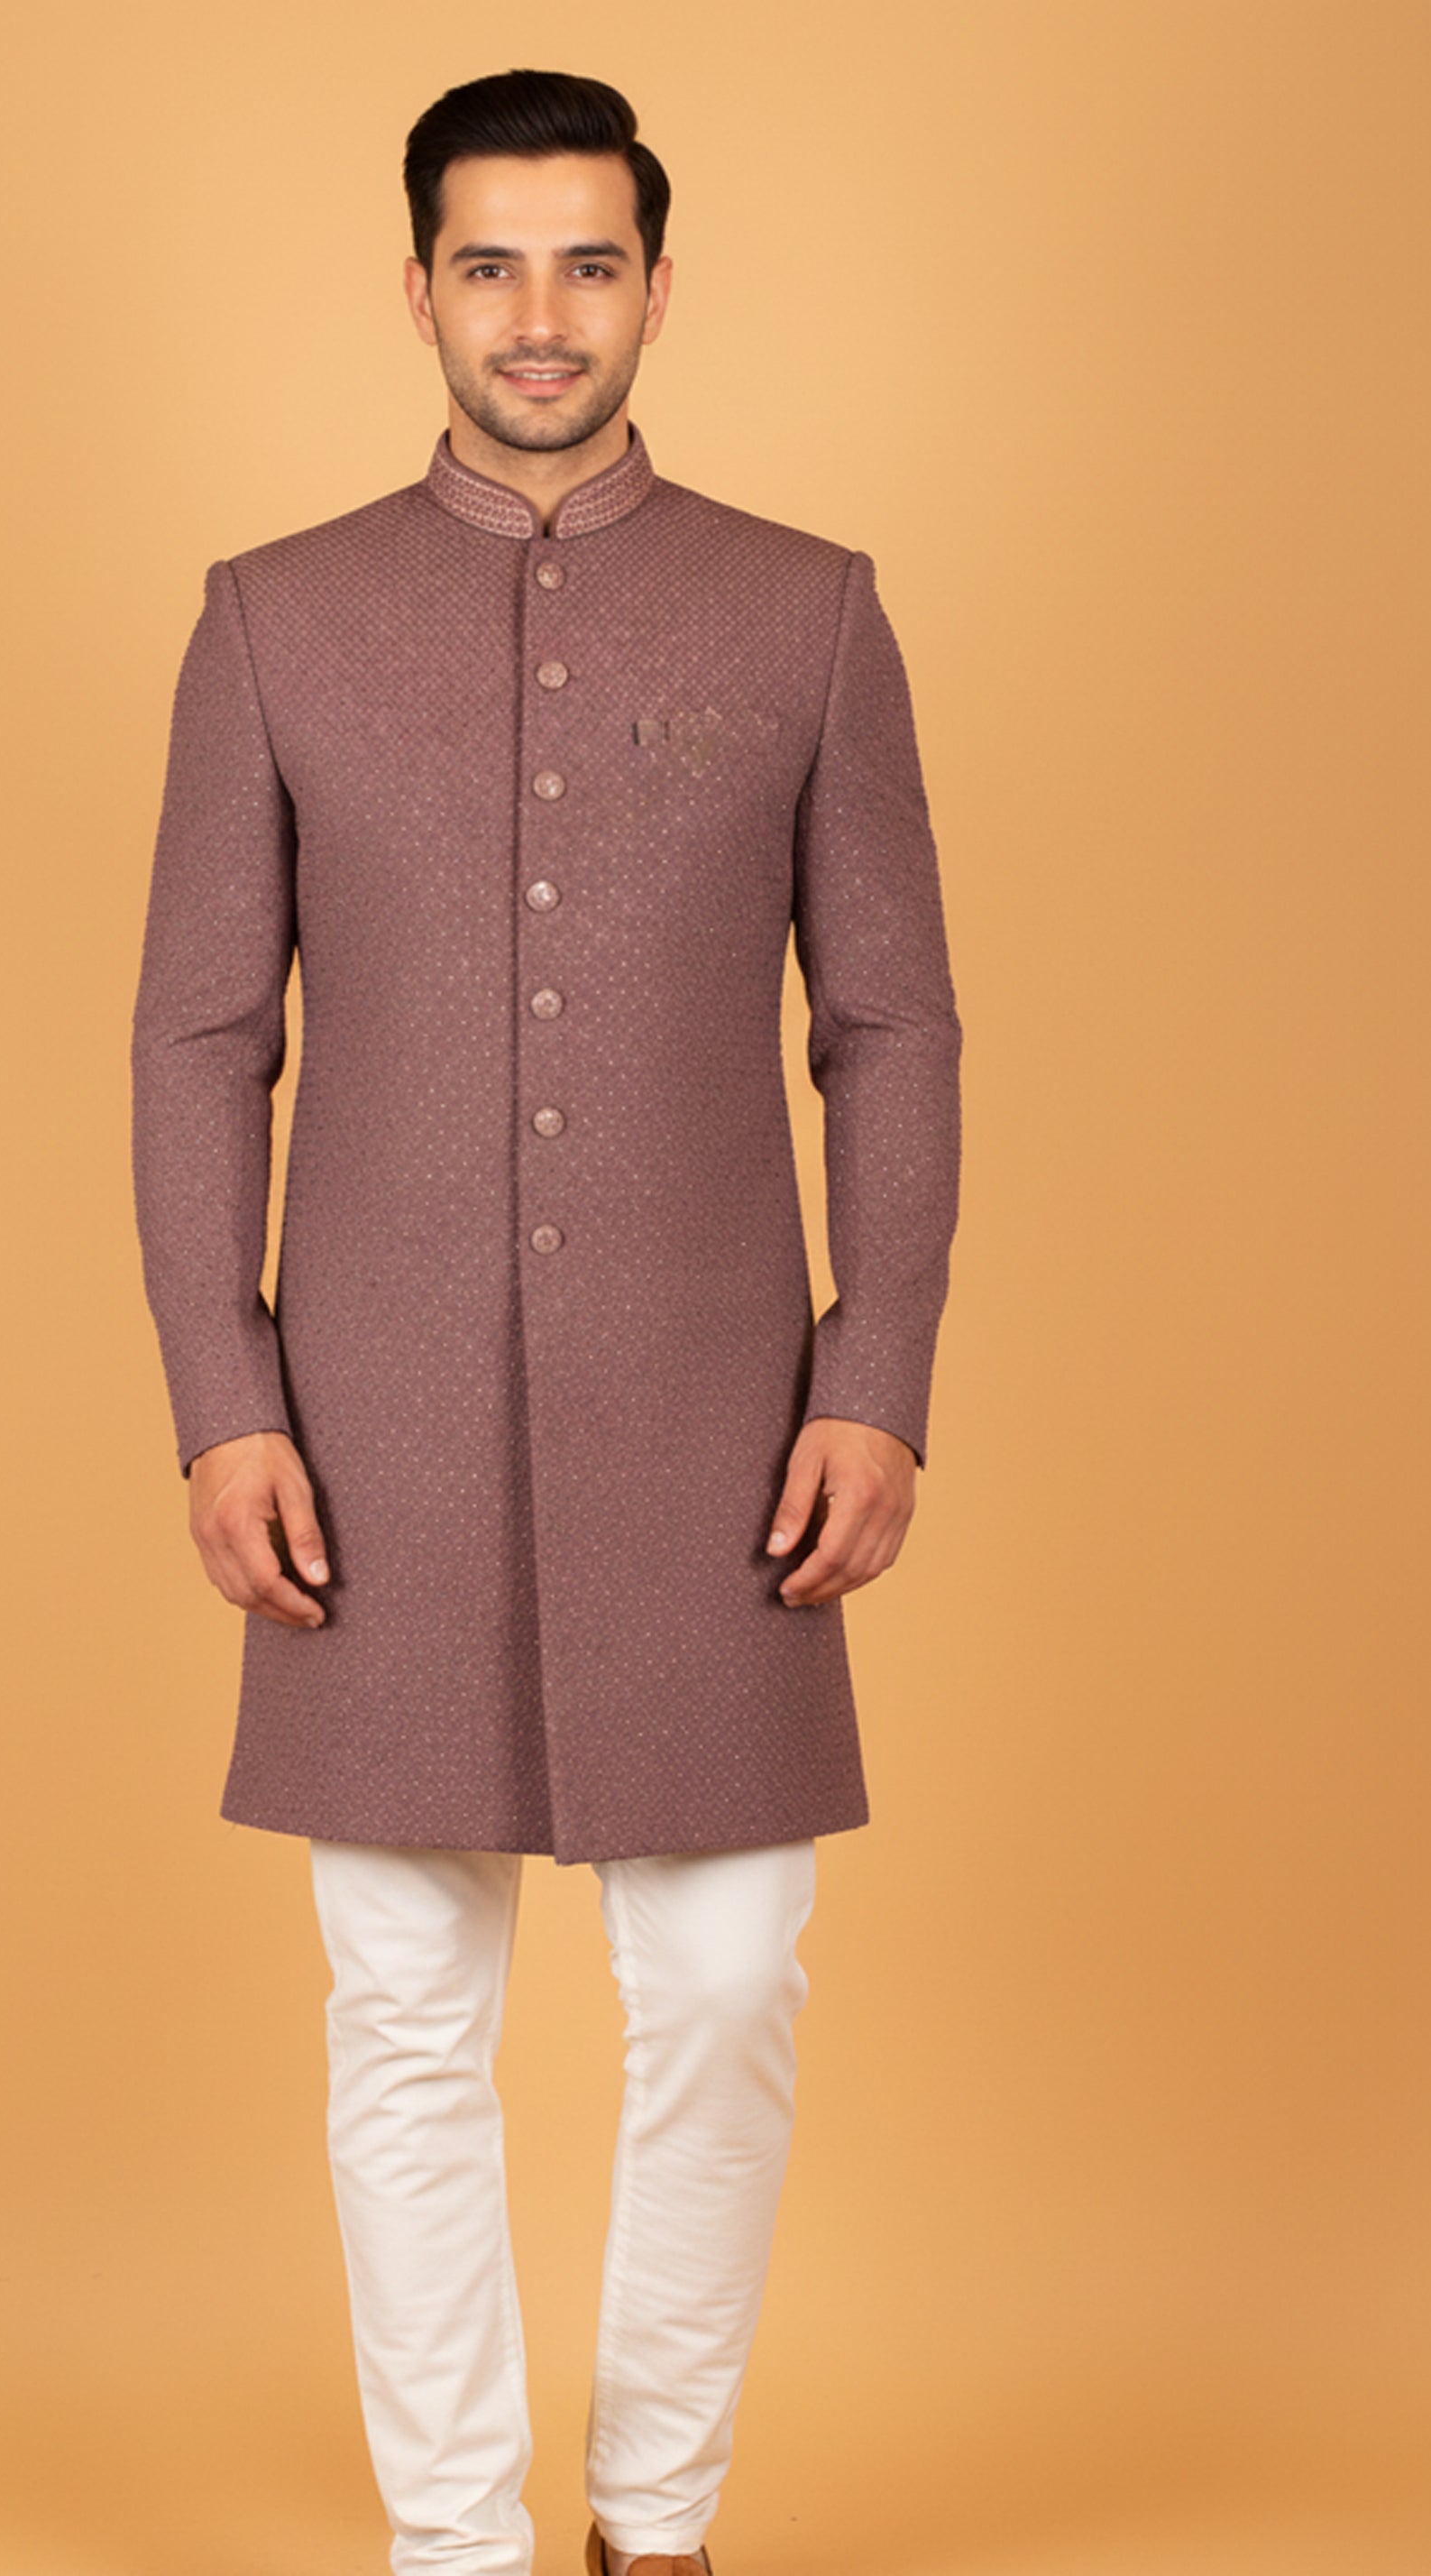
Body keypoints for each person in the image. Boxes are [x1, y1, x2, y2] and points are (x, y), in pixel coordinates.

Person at [130, 66, 962, 2576]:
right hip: (367, 1429)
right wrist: (222, 1406)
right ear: (417, 289)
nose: (536, 313)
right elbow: (199, 1039)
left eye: (586, 262)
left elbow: (891, 1028)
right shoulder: (271, 618)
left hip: (718, 1424)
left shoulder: (807, 609)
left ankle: (658, 2515)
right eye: (488, 263)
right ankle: (460, 2547)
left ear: (656, 290)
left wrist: (877, 1379)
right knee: (404, 2014)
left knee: (724, 1986)